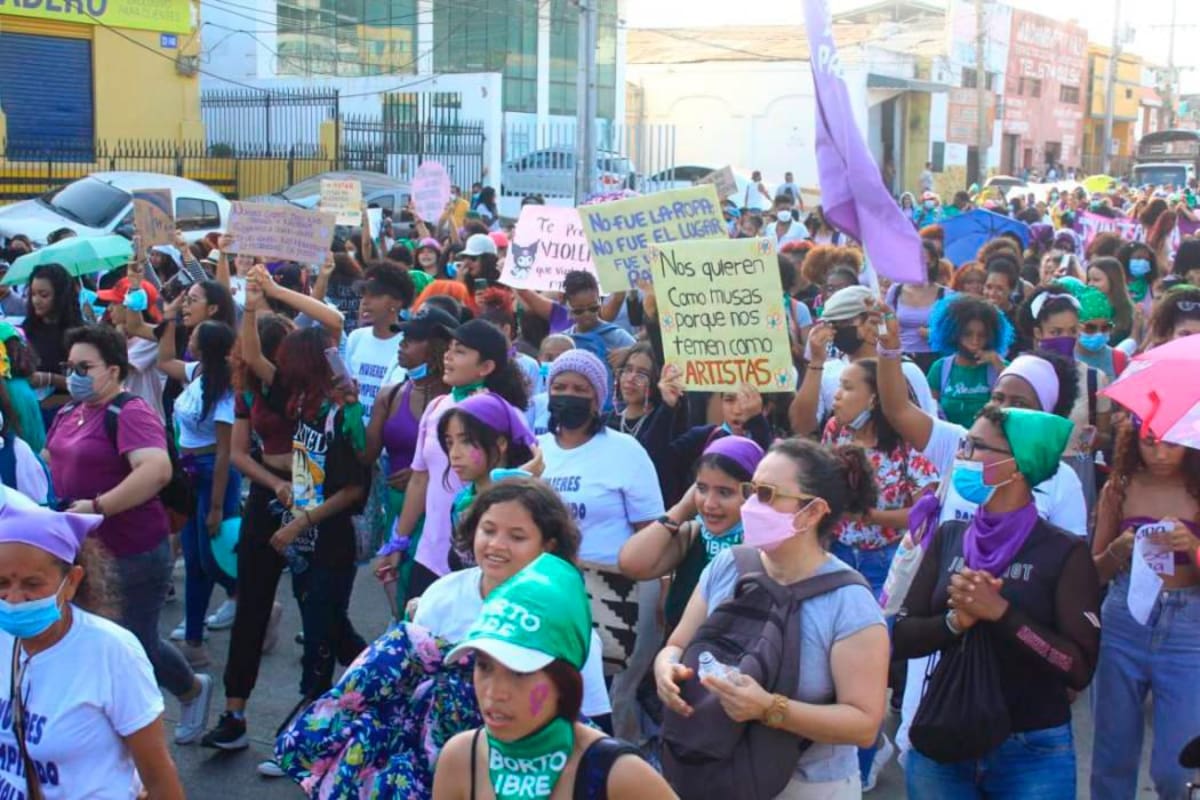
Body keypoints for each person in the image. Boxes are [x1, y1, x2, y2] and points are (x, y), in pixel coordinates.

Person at [277, 480, 617, 796]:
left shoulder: (565, 627)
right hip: (426, 763)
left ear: (549, 545)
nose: (497, 545)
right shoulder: (442, 595)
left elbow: (593, 725)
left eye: (517, 536)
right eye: (489, 530)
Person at [655, 438, 889, 797]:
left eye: (766, 494)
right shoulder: (728, 564)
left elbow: (863, 725)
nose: (750, 505)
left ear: (811, 512)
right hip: (716, 772)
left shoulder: (849, 602)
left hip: (809, 785)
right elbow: (677, 643)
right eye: (751, 491)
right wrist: (666, 668)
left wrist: (768, 708)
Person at [894, 406, 1099, 799]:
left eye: (975, 447)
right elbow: (901, 637)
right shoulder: (951, 536)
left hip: (1032, 748)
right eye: (963, 444)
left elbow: (1076, 667)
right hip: (945, 734)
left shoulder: (1064, 552)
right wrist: (956, 621)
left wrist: (1002, 614)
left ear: (1017, 466)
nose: (961, 456)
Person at [43, 324, 215, 744]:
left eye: (85, 367)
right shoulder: (71, 412)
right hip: (80, 552)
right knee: (90, 639)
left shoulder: (130, 412)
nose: (76, 375)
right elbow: (50, 457)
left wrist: (98, 506)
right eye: (70, 367)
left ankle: (189, 689)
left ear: (115, 370)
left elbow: (156, 470)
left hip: (132, 551)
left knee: (134, 645)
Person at [200, 268, 344, 759]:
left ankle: (323, 714)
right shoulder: (247, 389)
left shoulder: (296, 386)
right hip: (271, 494)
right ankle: (234, 712)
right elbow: (241, 453)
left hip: (311, 494)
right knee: (251, 607)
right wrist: (275, 484)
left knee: (321, 614)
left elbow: (330, 320)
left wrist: (269, 295)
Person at [433, 553, 673, 800]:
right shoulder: (461, 759)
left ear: (563, 679)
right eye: (484, 666)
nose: (494, 692)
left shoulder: (617, 774)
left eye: (519, 672)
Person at [0, 495, 186, 799]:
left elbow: (157, 774)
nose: (14, 598)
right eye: (1, 584)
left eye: (33, 585)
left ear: (71, 582)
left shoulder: (111, 651)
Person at [537, 348, 664, 741]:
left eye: (580, 389)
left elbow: (652, 530)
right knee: (560, 692)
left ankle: (628, 772)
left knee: (614, 697)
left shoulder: (625, 451)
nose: (568, 395)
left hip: (619, 592)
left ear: (599, 398)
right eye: (559, 387)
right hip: (555, 591)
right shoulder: (535, 450)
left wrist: (665, 596)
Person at [376, 319, 529, 603]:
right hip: (429, 556)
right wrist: (399, 541)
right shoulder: (437, 407)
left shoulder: (501, 415)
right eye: (449, 348)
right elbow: (420, 479)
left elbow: (522, 482)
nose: (447, 355)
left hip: (475, 562)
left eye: (459, 351)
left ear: (485, 367)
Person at [1090, 417, 1200, 799]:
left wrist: (1192, 547)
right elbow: (1094, 571)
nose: (1160, 453)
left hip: (1188, 630)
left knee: (1177, 768)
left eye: (1172, 443)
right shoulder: (1119, 489)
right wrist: (1118, 551)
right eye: (1149, 442)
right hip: (1125, 619)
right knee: (1112, 755)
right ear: (1133, 439)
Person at [273, 325, 370, 705]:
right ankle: (376, 684)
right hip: (305, 536)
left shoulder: (341, 414)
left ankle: (309, 711)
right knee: (330, 625)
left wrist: (302, 521)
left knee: (319, 634)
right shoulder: (303, 404)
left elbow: (353, 488)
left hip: (333, 537)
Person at [157, 317, 241, 660]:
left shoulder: (226, 389)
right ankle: (194, 640)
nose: (188, 339)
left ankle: (252, 601)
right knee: (194, 559)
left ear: (205, 346)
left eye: (193, 335)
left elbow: (225, 452)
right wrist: (169, 315)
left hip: (213, 474)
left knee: (210, 558)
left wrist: (218, 506)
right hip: (190, 472)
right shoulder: (197, 374)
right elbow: (164, 359)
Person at [361, 305, 457, 605]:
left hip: (441, 516)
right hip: (397, 510)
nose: (401, 346)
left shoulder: (461, 401)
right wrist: (349, 410)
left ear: (437, 347)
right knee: (396, 588)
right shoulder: (390, 395)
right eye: (401, 339)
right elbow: (366, 456)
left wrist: (424, 475)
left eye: (411, 340)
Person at [619, 436, 763, 633]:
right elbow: (632, 564)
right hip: (679, 660)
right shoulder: (694, 535)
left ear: (753, 493)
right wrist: (682, 509)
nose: (710, 504)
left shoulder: (768, 548)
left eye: (724, 492)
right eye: (702, 489)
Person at [789, 285, 937, 437]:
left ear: (873, 323)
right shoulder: (826, 370)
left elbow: (927, 434)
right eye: (831, 324)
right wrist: (816, 362)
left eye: (844, 323)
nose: (835, 330)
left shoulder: (904, 370)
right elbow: (801, 427)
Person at [436, 393, 537, 568]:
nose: (454, 453)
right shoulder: (462, 501)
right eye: (450, 442)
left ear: (501, 443)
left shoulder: (528, 503)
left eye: (466, 441)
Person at [926, 296, 1013, 428]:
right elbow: (929, 413)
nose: (975, 341)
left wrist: (998, 364)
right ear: (954, 334)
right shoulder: (940, 368)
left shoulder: (1000, 367)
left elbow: (1015, 405)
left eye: (982, 335)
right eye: (968, 334)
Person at [344, 263, 414, 419]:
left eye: (375, 295)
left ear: (397, 302)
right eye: (363, 294)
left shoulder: (409, 344)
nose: (365, 302)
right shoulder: (356, 338)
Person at [24, 264, 83, 428]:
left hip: (67, 415)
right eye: (33, 294)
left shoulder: (79, 335)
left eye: (43, 295)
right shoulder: (27, 329)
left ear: (60, 296)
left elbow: (90, 385)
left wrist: (49, 379)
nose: (36, 300)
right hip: (31, 411)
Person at [887, 242, 948, 371]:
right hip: (901, 357)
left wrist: (934, 335)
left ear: (932, 263)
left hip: (932, 359)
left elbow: (953, 334)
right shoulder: (895, 290)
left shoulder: (945, 295)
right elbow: (886, 323)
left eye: (923, 260)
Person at [1069, 284, 1128, 380]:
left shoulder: (1120, 360)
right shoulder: (1065, 361)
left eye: (1105, 327)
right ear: (1076, 326)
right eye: (1090, 328)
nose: (1099, 333)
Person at [1086, 256, 1137, 346]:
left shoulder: (1128, 312)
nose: (1091, 284)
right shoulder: (1087, 308)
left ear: (1113, 280)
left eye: (1096, 280)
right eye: (1089, 280)